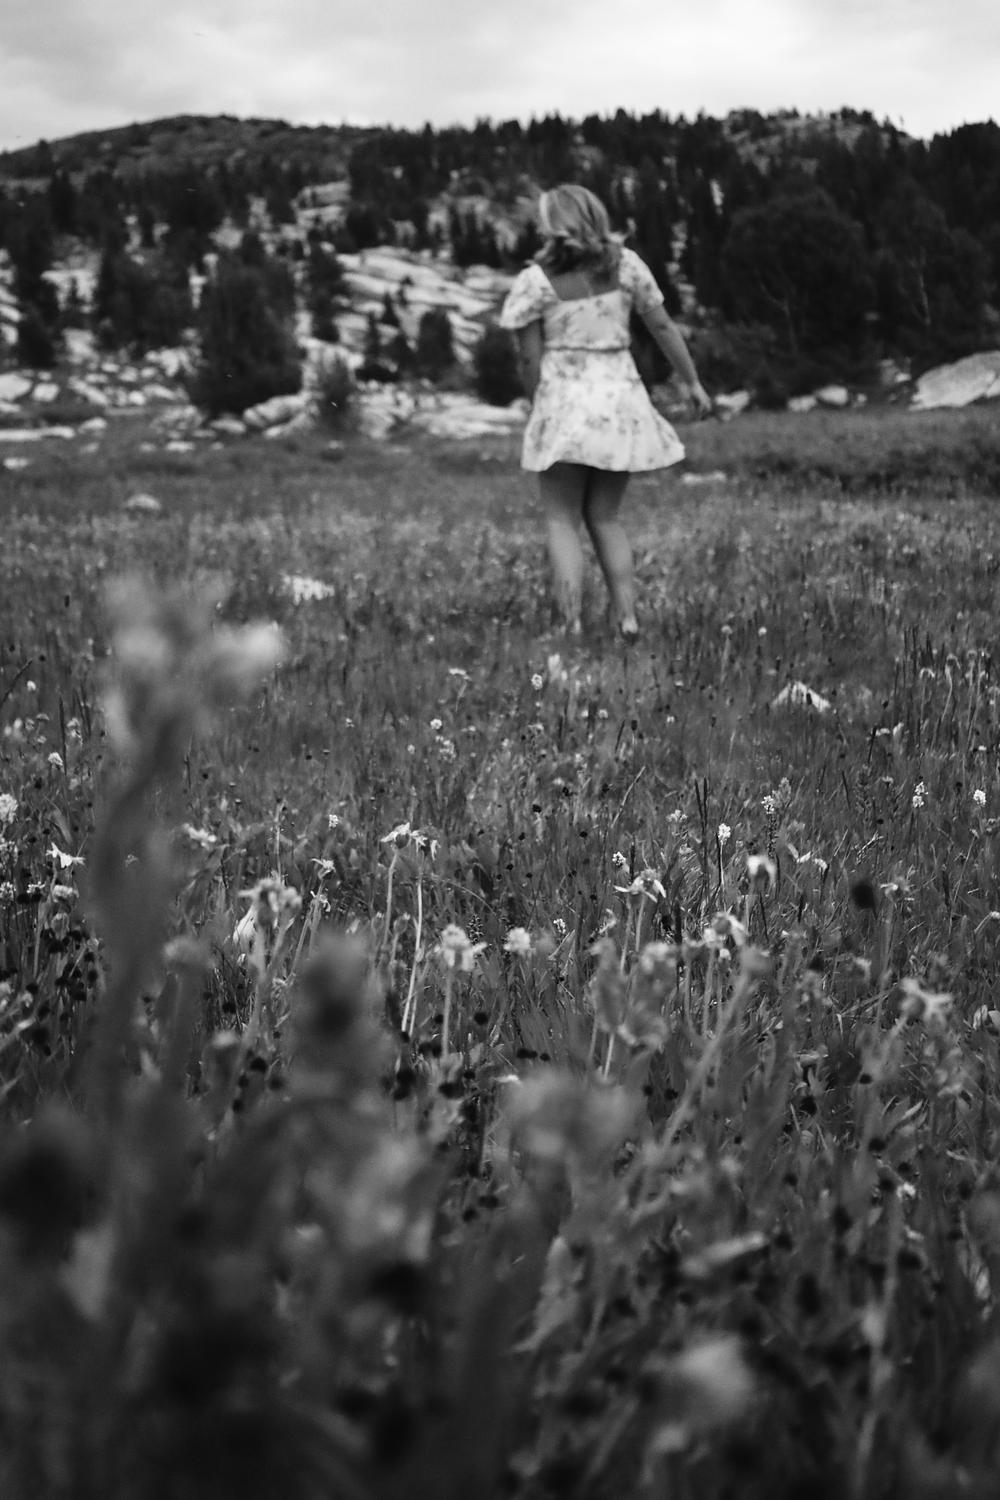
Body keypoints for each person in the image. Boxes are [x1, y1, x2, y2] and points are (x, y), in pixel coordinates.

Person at [498, 184, 712, 641]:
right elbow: (661, 326)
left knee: (562, 518)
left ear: (550, 225)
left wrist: (538, 405)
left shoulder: (535, 282)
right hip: (620, 401)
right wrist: (692, 381)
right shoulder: (627, 266)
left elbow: (529, 357)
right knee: (605, 516)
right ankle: (628, 619)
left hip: (566, 401)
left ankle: (570, 624)